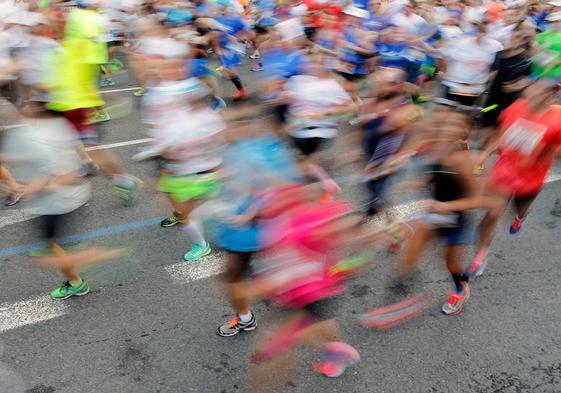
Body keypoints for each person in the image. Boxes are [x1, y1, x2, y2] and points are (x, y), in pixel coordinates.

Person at [470, 79, 561, 277]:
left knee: (520, 208)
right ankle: (480, 256)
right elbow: (501, 134)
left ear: (549, 95)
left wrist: (543, 153)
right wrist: (485, 153)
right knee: (491, 215)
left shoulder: (556, 120)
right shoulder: (517, 107)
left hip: (530, 179)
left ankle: (521, 217)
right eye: (531, 86)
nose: (529, 90)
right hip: (504, 172)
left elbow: (558, 150)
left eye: (537, 88)